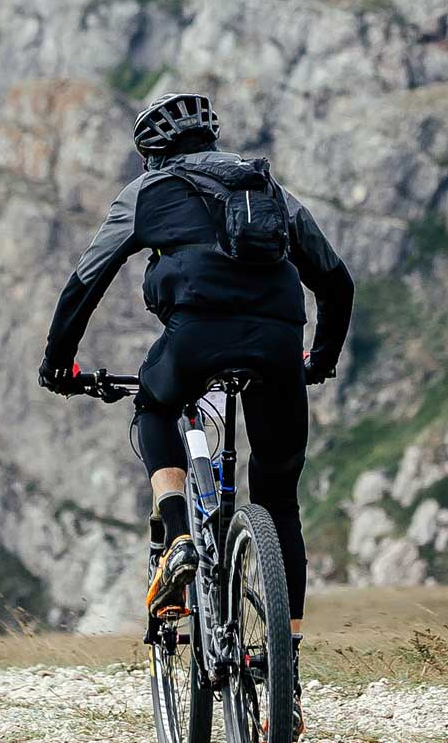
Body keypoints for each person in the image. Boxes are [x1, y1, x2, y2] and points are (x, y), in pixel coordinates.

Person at [40, 90, 355, 646]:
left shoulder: (147, 192)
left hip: (195, 341)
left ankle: (181, 536)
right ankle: (286, 667)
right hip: (280, 346)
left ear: (152, 155)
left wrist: (59, 364)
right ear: (210, 140)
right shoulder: (269, 191)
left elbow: (86, 281)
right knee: (279, 498)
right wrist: (319, 361)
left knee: (154, 405)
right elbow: (335, 282)